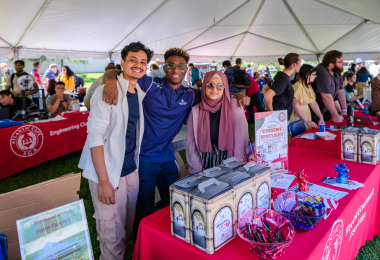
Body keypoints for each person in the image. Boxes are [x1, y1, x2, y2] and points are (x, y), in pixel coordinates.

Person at [101, 46, 250, 242]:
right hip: (144, 157)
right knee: (145, 207)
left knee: (175, 202)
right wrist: (110, 80)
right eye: (171, 65)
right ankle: (143, 240)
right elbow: (116, 71)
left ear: (187, 69)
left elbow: (214, 95)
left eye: (180, 66)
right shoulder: (150, 84)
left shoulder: (191, 95)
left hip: (167, 156)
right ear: (164, 67)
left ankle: (168, 238)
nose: (175, 69)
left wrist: (237, 95)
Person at [79, 42, 150, 259]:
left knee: (125, 230)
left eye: (143, 62)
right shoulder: (106, 91)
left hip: (130, 171)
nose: (138, 65)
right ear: (122, 62)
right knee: (111, 237)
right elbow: (95, 137)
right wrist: (103, 181)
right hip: (108, 173)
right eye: (133, 60)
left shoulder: (138, 91)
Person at [186, 71, 249, 173]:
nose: (215, 89)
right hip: (204, 161)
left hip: (230, 160)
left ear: (225, 88)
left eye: (220, 86)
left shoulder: (235, 107)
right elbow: (191, 144)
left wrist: (237, 167)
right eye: (210, 85)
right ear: (204, 86)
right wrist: (196, 171)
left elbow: (241, 141)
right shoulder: (195, 111)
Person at [312, 50, 347, 123]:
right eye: (340, 62)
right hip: (313, 112)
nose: (342, 63)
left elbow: (340, 91)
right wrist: (335, 115)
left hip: (325, 109)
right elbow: (326, 97)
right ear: (331, 64)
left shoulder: (337, 72)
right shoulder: (322, 72)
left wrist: (344, 110)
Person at [264, 53, 301, 120]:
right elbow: (267, 96)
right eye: (300, 63)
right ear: (294, 64)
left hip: (280, 115)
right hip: (279, 117)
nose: (300, 65)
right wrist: (272, 113)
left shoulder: (280, 75)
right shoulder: (283, 79)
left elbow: (264, 88)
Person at [289, 65, 324, 130]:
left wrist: (321, 118)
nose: (315, 76)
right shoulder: (298, 86)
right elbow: (295, 106)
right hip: (298, 117)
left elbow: (313, 103)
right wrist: (306, 121)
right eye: (314, 74)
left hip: (306, 115)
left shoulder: (309, 86)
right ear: (307, 75)